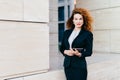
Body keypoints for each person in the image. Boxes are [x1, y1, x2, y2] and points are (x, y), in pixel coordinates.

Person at [60, 8, 93, 80]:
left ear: (84, 20)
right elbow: (62, 47)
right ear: (73, 20)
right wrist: (66, 52)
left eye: (80, 19)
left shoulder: (87, 34)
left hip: (79, 66)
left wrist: (79, 54)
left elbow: (89, 52)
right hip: (68, 65)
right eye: (76, 19)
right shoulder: (66, 33)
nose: (78, 21)